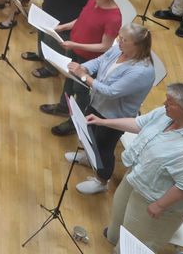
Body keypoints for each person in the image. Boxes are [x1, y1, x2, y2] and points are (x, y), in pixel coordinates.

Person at [88, 83, 183, 252]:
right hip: (137, 175)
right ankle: (114, 237)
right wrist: (103, 122)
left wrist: (160, 205)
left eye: (170, 102)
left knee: (135, 240)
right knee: (119, 215)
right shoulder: (168, 114)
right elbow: (139, 124)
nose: (164, 104)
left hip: (155, 198)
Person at [66, 24, 156, 196]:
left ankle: (102, 181)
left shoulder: (142, 71)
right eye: (119, 37)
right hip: (97, 103)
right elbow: (100, 61)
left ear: (137, 45)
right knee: (90, 133)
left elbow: (111, 92)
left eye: (124, 40)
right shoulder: (118, 49)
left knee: (104, 148)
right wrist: (85, 67)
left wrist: (84, 76)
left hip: (114, 115)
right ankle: (88, 158)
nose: (118, 41)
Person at [40, 0, 125, 136]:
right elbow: (82, 18)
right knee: (68, 81)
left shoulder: (114, 17)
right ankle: (63, 107)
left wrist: (75, 44)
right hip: (75, 49)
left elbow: (105, 46)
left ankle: (74, 123)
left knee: (81, 91)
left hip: (88, 60)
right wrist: (64, 27)